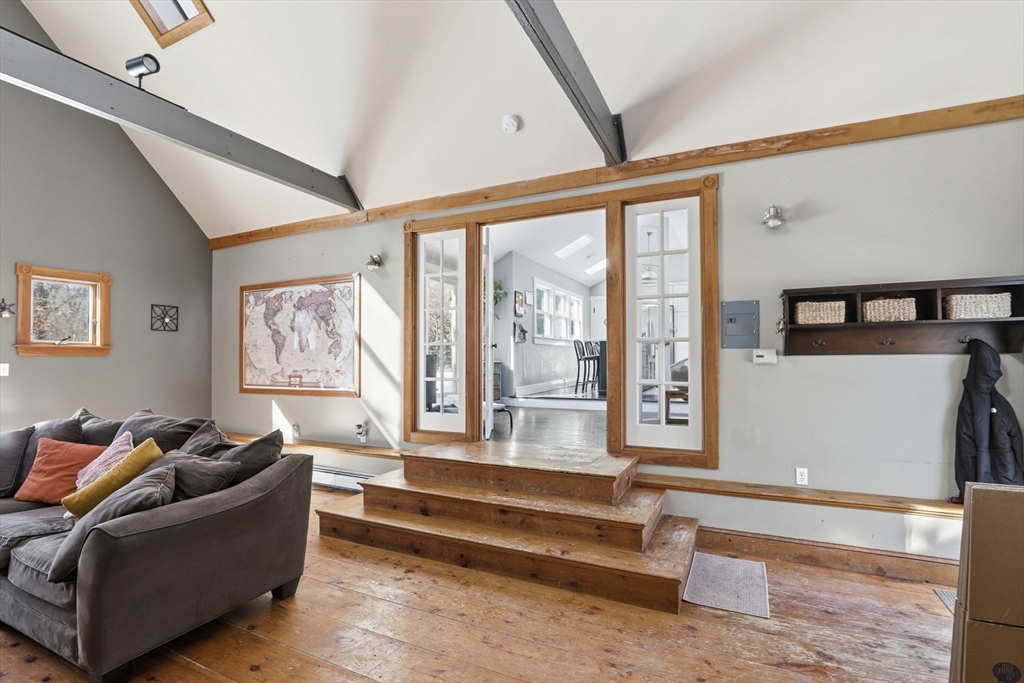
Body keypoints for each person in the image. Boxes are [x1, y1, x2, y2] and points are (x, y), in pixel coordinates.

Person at [950, 339, 1023, 503]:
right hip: (1005, 472)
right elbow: (1016, 439)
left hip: (981, 473)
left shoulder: (968, 400)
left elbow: (964, 449)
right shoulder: (999, 403)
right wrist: (1019, 468)